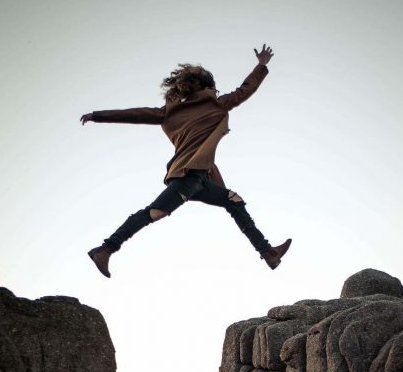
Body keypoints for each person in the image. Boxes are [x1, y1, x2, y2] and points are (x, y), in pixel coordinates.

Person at [81, 44, 291, 277]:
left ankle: (268, 253)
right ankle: (106, 249)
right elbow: (245, 90)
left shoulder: (169, 112)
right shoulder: (216, 104)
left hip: (200, 178)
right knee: (155, 212)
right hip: (187, 176)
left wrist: (98, 116)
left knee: (234, 201)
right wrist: (261, 65)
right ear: (208, 86)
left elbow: (135, 113)